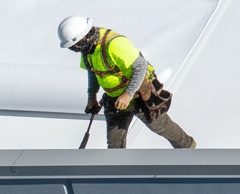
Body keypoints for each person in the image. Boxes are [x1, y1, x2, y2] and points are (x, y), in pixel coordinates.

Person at [60, 15, 196, 150]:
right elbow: (93, 71)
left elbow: (141, 66)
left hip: (140, 93)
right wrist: (92, 97)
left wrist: (128, 94)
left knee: (160, 126)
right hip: (115, 98)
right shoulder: (87, 49)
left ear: (85, 36)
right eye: (73, 47)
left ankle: (187, 148)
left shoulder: (114, 44)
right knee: (114, 143)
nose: (75, 49)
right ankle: (119, 168)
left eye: (75, 45)